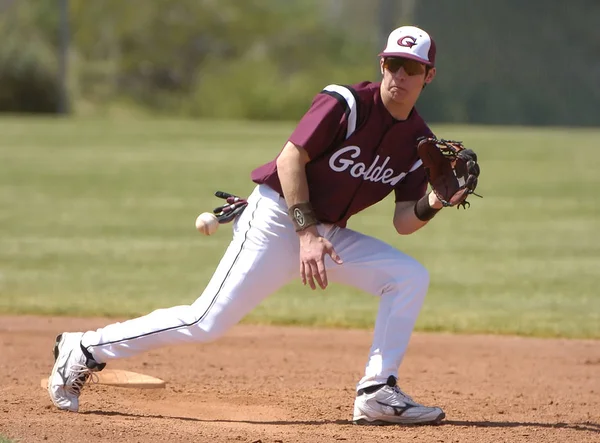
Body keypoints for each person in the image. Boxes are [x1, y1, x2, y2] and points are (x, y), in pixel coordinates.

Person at [48, 25, 474, 425]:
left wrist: (435, 200)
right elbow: (291, 159)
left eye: (411, 68)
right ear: (382, 66)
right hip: (276, 218)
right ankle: (84, 347)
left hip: (325, 234)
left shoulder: (419, 141)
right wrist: (305, 233)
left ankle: (377, 391)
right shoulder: (346, 103)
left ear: (428, 75)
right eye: (391, 64)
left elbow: (404, 221)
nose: (399, 75)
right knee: (206, 322)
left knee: (407, 276)